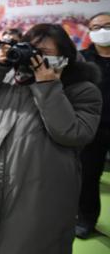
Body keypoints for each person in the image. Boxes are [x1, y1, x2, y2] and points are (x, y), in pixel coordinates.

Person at [0, 24, 102, 254]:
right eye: (32, 51)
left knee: (28, 242)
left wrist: (48, 86)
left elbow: (73, 133)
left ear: (65, 57)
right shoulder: (11, 79)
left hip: (37, 193)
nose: (36, 59)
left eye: (44, 54)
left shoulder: (83, 90)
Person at [76, 12, 110, 238]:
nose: (101, 31)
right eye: (95, 27)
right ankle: (86, 219)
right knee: (88, 176)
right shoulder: (81, 59)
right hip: (94, 126)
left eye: (107, 26)